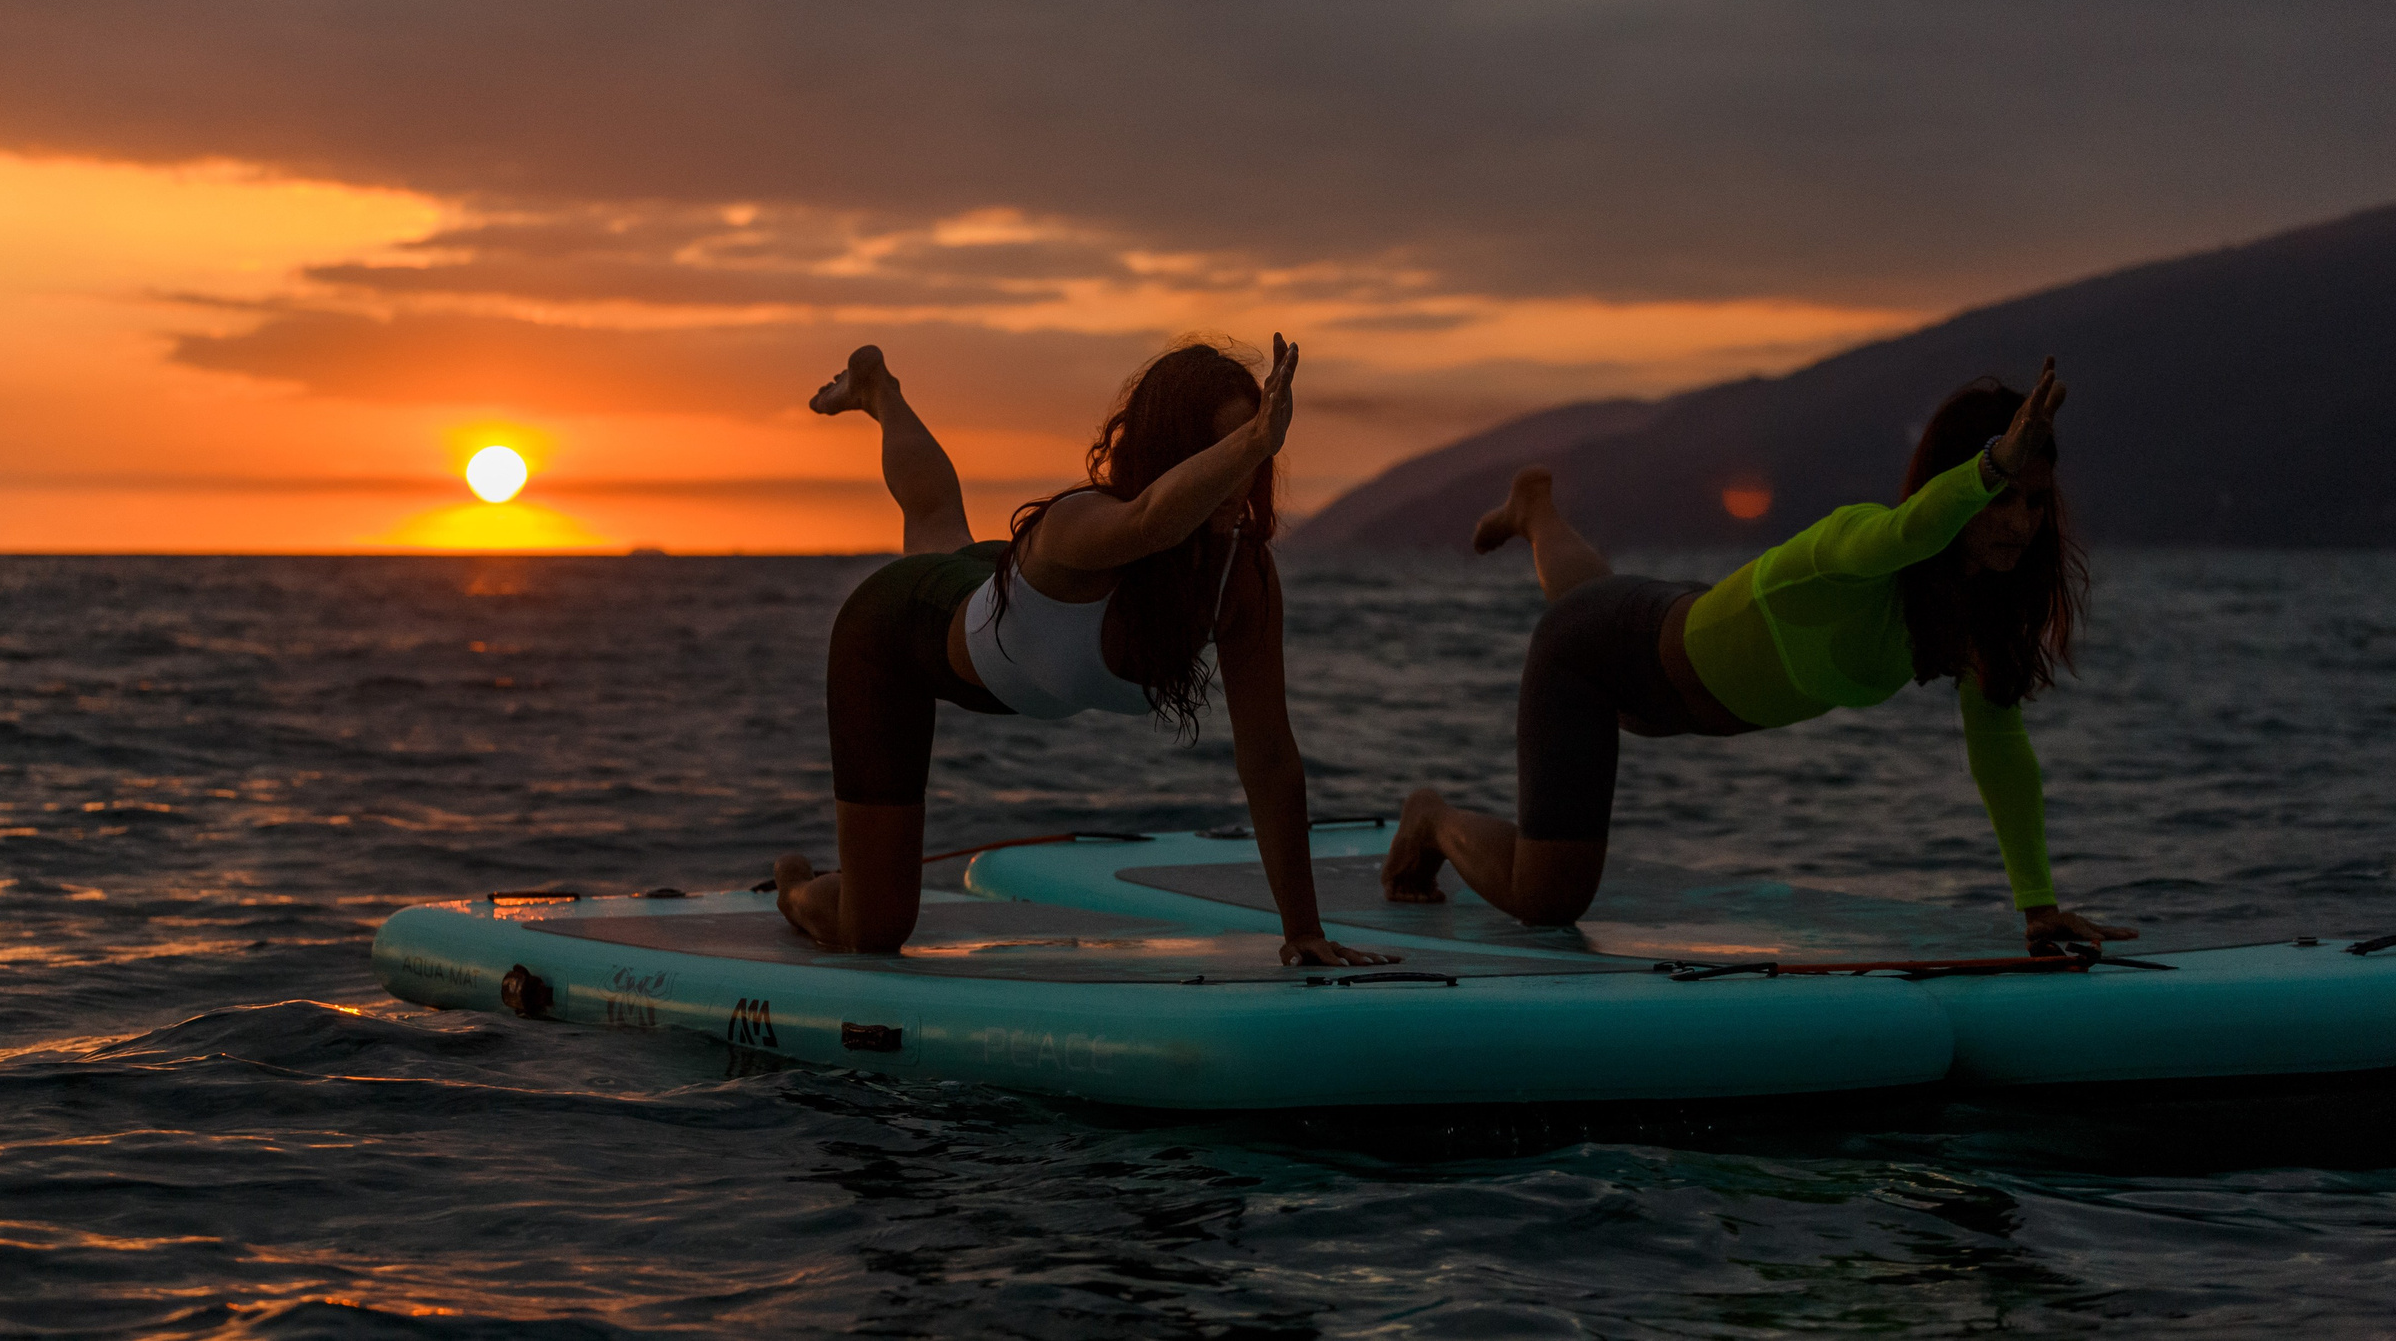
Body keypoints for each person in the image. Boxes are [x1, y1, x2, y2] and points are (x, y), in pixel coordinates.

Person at [1382, 359, 2137, 950]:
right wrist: (1991, 466)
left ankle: (1536, 508)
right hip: (1594, 662)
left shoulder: (1971, 614)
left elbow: (1999, 746)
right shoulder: (1860, 539)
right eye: (2003, 496)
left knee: (1597, 597)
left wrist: (2038, 906)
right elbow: (1910, 532)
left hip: (1659, 634)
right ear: (1957, 481)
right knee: (1549, 901)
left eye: (2034, 501)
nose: (2020, 521)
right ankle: (1430, 817)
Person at [772, 335, 1392, 966]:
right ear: (1170, 455)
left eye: (1253, 448)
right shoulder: (1081, 524)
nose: (1241, 474)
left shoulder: (1241, 576)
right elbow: (1153, 519)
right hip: (899, 634)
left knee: (937, 522)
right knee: (874, 931)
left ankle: (879, 390)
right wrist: (1257, 440)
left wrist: (1303, 930)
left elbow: (1268, 756)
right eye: (1223, 450)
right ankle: (795, 888)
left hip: (1006, 606)